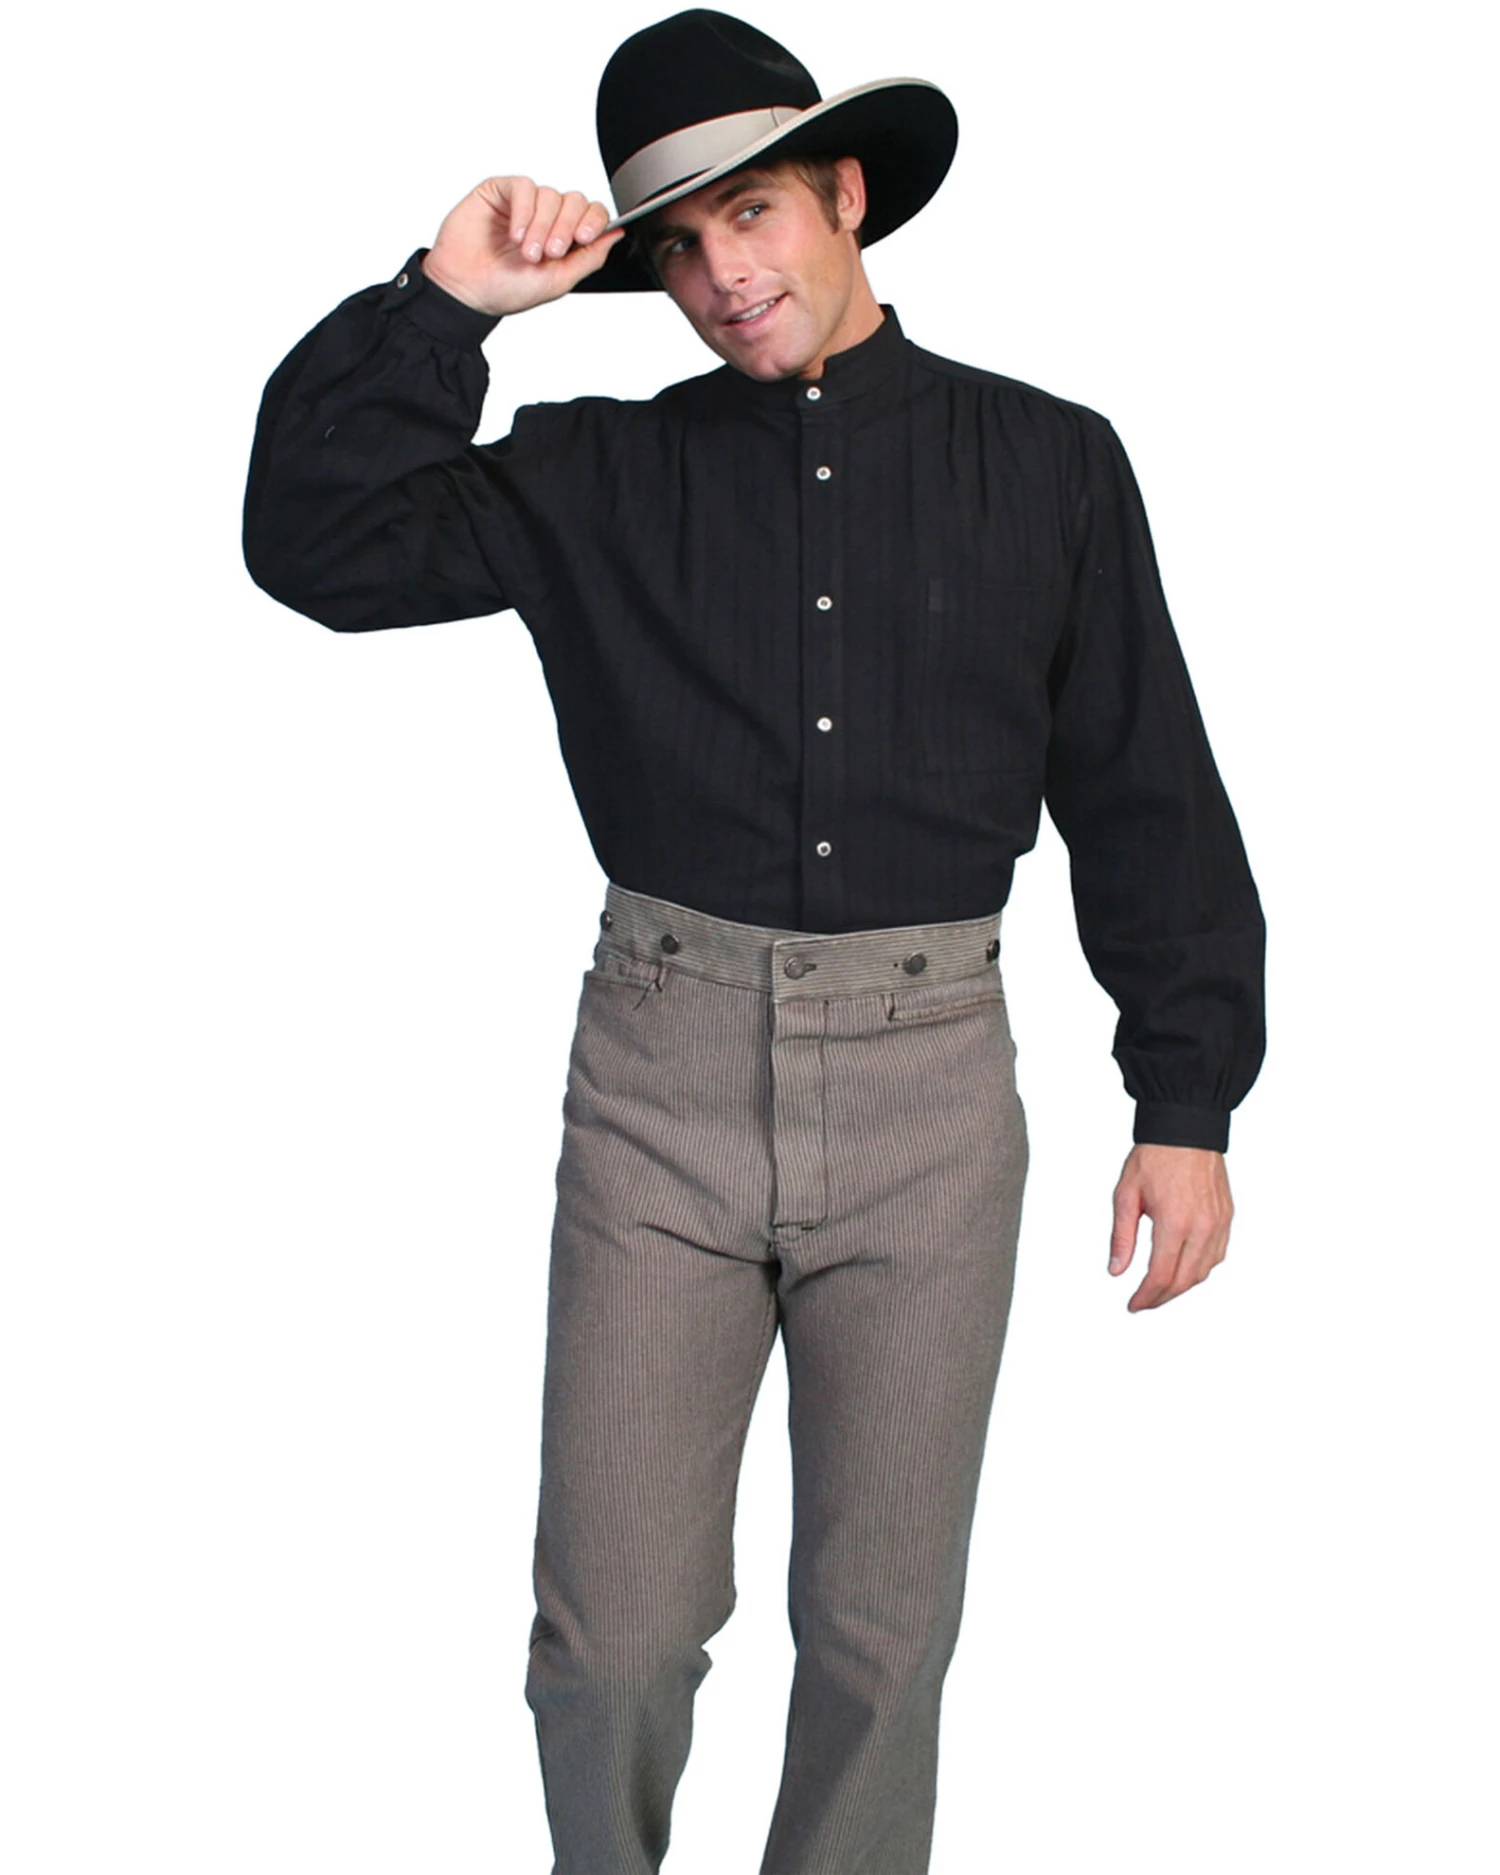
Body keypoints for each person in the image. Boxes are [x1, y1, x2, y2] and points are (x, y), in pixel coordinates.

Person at [242, 9, 1266, 1870]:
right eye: (678, 247)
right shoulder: (590, 474)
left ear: (846, 196)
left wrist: (1185, 1099)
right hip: (663, 1076)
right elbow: (312, 543)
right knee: (612, 1642)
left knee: (883, 1638)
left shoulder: (1048, 462)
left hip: (933, 1091)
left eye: (756, 214)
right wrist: (447, 302)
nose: (722, 274)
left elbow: (1145, 787)